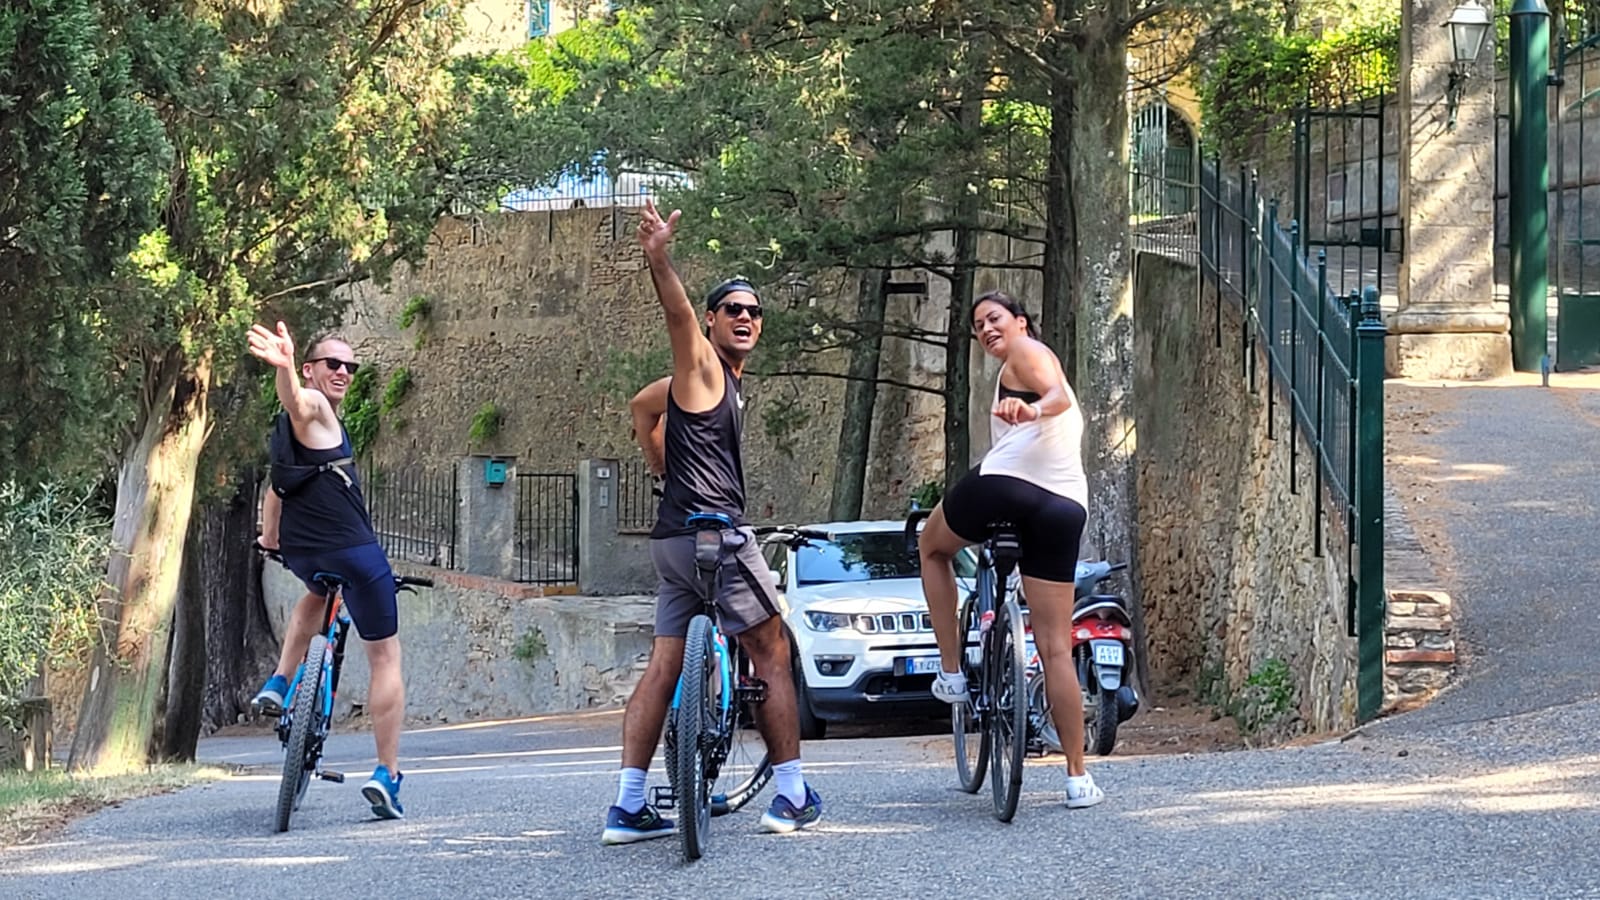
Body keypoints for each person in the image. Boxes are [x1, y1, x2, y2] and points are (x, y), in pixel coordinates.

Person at [601, 199, 822, 845]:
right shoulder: (701, 369)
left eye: (755, 310)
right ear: (711, 321)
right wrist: (658, 257)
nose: (747, 317)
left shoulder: (702, 384)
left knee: (664, 664)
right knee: (774, 651)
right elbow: (674, 316)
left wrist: (659, 464)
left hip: (672, 542)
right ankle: (790, 796)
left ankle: (629, 806)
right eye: (734, 309)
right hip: (717, 536)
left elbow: (643, 409)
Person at [915, 290, 1106, 810]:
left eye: (994, 318)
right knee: (1056, 647)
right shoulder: (1021, 360)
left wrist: (1030, 407)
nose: (986, 330)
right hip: (1064, 506)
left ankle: (952, 674)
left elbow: (1057, 397)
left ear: (1021, 321)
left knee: (931, 547)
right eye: (978, 325)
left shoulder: (1028, 352)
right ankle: (1077, 777)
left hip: (1008, 486)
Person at [248, 324, 410, 820]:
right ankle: (387, 773)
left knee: (314, 595)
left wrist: (270, 538)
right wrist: (282, 368)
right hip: (353, 551)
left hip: (305, 552)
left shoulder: (290, 442)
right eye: (332, 364)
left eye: (349, 366)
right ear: (310, 370)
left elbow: (276, 489)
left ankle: (279, 681)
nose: (342, 372)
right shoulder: (315, 410)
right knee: (384, 656)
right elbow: (299, 402)